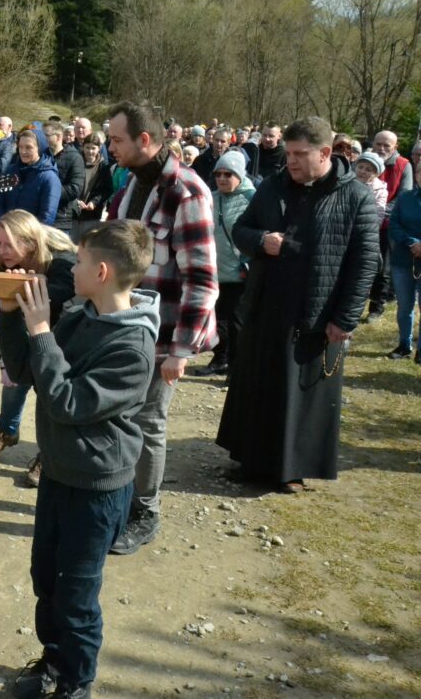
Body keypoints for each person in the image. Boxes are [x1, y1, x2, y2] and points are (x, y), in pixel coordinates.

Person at [1, 221, 159, 699]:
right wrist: (12, 316)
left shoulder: (132, 347)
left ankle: (76, 683)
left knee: (77, 596)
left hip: (97, 489)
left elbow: (66, 402)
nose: (72, 268)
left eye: (82, 261)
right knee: (46, 579)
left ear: (102, 272)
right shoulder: (79, 314)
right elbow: (24, 371)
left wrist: (41, 330)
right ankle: (54, 661)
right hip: (59, 473)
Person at [216, 116, 379, 493]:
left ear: (325, 153)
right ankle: (251, 461)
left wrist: (345, 317)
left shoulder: (356, 196)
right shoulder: (273, 186)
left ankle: (291, 469)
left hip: (316, 312)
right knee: (259, 387)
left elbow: (366, 262)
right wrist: (261, 241)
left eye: (299, 154)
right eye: (288, 153)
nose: (290, 161)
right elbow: (241, 230)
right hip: (265, 305)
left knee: (299, 397)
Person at [104, 101, 217, 556]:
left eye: (117, 140)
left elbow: (202, 279)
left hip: (164, 336)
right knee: (120, 417)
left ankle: (144, 512)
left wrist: (181, 350)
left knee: (148, 422)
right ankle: (120, 500)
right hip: (123, 327)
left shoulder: (186, 192)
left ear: (145, 140)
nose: (110, 147)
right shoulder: (132, 184)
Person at [0, 210, 78, 483]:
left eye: (8, 245)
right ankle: (8, 431)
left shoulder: (63, 262)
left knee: (49, 397)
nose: (1, 252)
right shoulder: (6, 263)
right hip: (27, 328)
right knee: (13, 379)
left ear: (31, 243)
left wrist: (23, 286)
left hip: (63, 338)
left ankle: (47, 456)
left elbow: (56, 296)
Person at [192, 151, 255, 377]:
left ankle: (237, 367)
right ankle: (221, 359)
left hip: (240, 273)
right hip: (214, 271)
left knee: (236, 322)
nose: (222, 178)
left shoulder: (252, 198)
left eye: (228, 174)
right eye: (218, 174)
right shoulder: (211, 197)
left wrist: (248, 262)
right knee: (216, 320)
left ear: (239, 175)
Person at [367, 131, 416, 319]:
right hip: (362, 223)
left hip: (387, 225)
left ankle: (376, 306)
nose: (381, 148)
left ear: (395, 147)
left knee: (383, 269)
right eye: (378, 143)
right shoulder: (364, 161)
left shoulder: (404, 165)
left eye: (386, 145)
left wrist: (377, 212)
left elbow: (403, 196)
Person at [0, 127, 62, 227]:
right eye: (20, 147)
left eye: (28, 147)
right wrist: (0, 227)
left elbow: (46, 217)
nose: (23, 151)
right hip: (6, 230)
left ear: (40, 148)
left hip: (29, 234)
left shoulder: (49, 178)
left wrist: (26, 234)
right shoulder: (11, 170)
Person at [387, 158, 421, 363]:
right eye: (420, 172)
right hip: (403, 260)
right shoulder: (405, 198)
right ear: (416, 175)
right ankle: (404, 345)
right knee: (405, 306)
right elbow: (394, 225)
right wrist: (412, 243)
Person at [45, 121, 84, 235]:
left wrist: (48, 191)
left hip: (60, 218)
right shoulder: (42, 155)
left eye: (46, 135)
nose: (43, 139)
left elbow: (75, 188)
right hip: (39, 215)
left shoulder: (74, 157)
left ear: (58, 137)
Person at [72, 131, 113, 241]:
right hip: (73, 213)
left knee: (87, 244)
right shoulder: (75, 162)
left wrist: (94, 202)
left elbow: (107, 189)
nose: (90, 151)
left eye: (93, 148)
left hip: (92, 215)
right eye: (87, 148)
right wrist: (75, 201)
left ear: (99, 148)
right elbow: (69, 185)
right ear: (83, 147)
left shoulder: (104, 167)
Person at [354, 151, 388, 228]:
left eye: (368, 170)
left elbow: (379, 216)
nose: (362, 171)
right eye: (360, 167)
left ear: (376, 174)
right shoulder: (347, 183)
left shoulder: (380, 191)